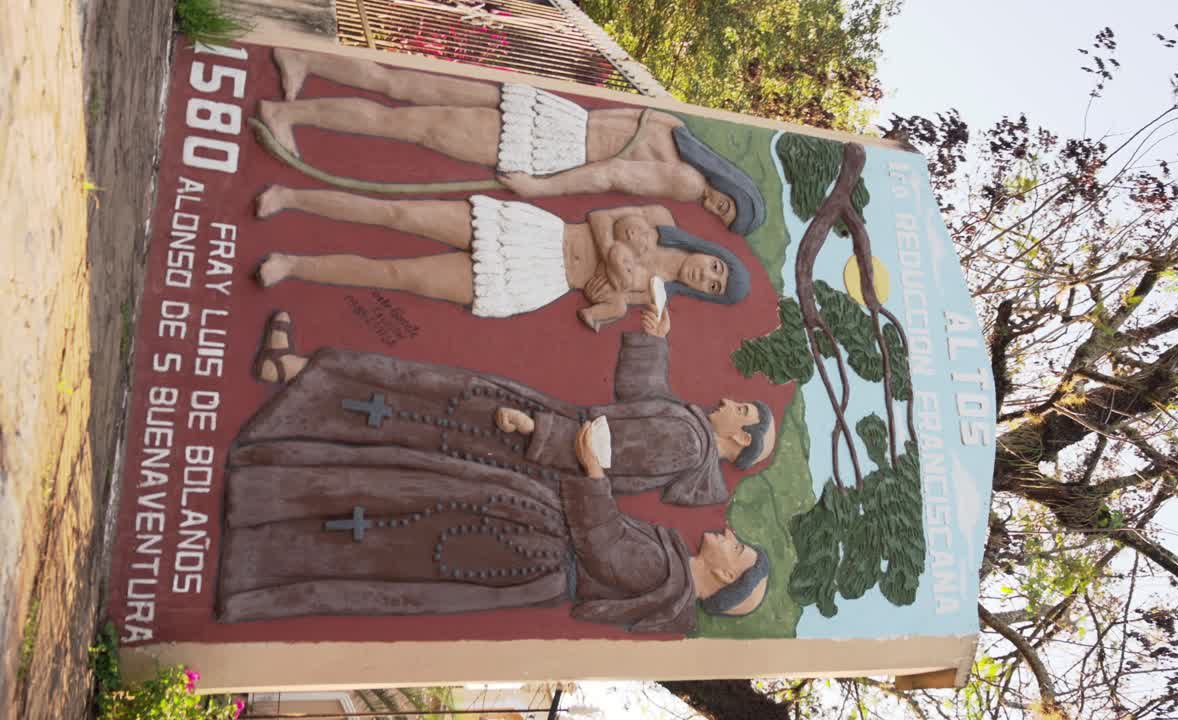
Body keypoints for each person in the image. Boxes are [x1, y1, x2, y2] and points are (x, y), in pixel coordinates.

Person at [216, 309, 775, 629]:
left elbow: (603, 529)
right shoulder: (674, 527)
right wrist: (652, 342)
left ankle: (293, 398)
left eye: (738, 549)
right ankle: (294, 386)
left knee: (415, 434)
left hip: (522, 527)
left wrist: (559, 444)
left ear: (726, 576)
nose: (729, 534)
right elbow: (630, 416)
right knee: (405, 456)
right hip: (527, 512)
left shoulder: (666, 555)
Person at [257, 47, 766, 236]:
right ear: (732, 189)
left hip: (546, 113)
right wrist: (539, 190)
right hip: (545, 144)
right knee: (402, 123)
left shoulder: (678, 130)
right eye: (728, 207)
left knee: (400, 86)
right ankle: (287, 111)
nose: (716, 207)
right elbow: (610, 174)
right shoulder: (685, 180)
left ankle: (304, 62)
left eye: (721, 216)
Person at [254, 186, 751, 329]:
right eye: (716, 268)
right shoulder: (660, 218)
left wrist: (609, 305)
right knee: (397, 213)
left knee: (398, 275)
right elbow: (601, 218)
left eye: (713, 287)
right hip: (535, 234)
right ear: (711, 253)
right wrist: (615, 260)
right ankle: (291, 197)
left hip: (534, 281)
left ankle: (292, 264)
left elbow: (590, 310)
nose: (707, 276)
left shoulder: (655, 300)